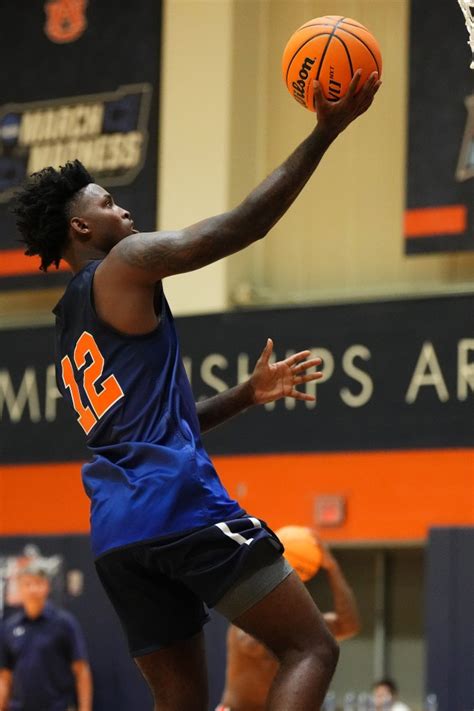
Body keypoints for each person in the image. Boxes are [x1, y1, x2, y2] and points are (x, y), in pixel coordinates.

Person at [12, 71, 380, 711]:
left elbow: (159, 427)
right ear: (80, 229)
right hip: (178, 507)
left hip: (117, 538)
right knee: (312, 648)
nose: (123, 210)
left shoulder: (69, 325)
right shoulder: (123, 266)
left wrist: (246, 394)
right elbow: (239, 227)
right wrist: (324, 133)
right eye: (106, 203)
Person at [218, 532, 361, 711]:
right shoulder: (248, 617)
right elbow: (252, 644)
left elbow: (348, 625)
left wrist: (332, 568)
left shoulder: (300, 625)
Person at [0, 562, 92, 711]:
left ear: (47, 586)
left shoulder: (64, 623)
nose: (33, 589)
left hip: (57, 707)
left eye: (38, 583)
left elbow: (81, 671)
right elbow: (5, 676)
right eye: (27, 584)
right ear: (20, 588)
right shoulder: (9, 627)